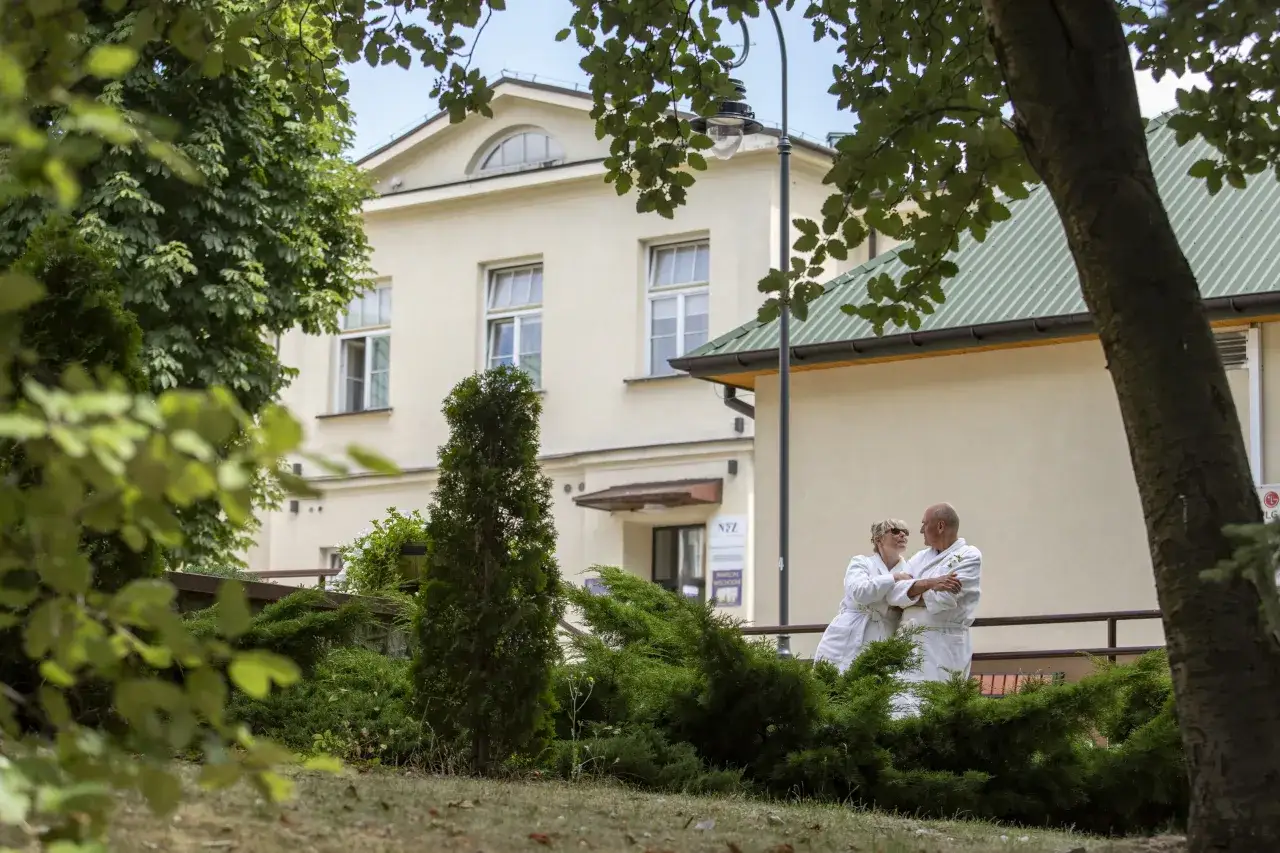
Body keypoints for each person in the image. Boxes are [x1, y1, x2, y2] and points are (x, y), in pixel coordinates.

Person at [887, 502, 982, 717]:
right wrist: (932, 584)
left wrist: (912, 592)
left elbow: (945, 601)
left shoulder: (969, 556)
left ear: (940, 526)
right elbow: (893, 594)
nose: (920, 530)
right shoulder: (919, 558)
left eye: (924, 524)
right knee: (901, 704)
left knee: (936, 706)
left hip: (943, 642)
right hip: (909, 641)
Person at [812, 518, 915, 673]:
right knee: (830, 681)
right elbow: (859, 592)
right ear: (878, 539)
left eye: (905, 532)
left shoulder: (910, 570)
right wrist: (893, 578)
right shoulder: (861, 563)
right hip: (848, 632)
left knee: (872, 688)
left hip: (884, 635)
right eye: (895, 531)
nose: (902, 535)